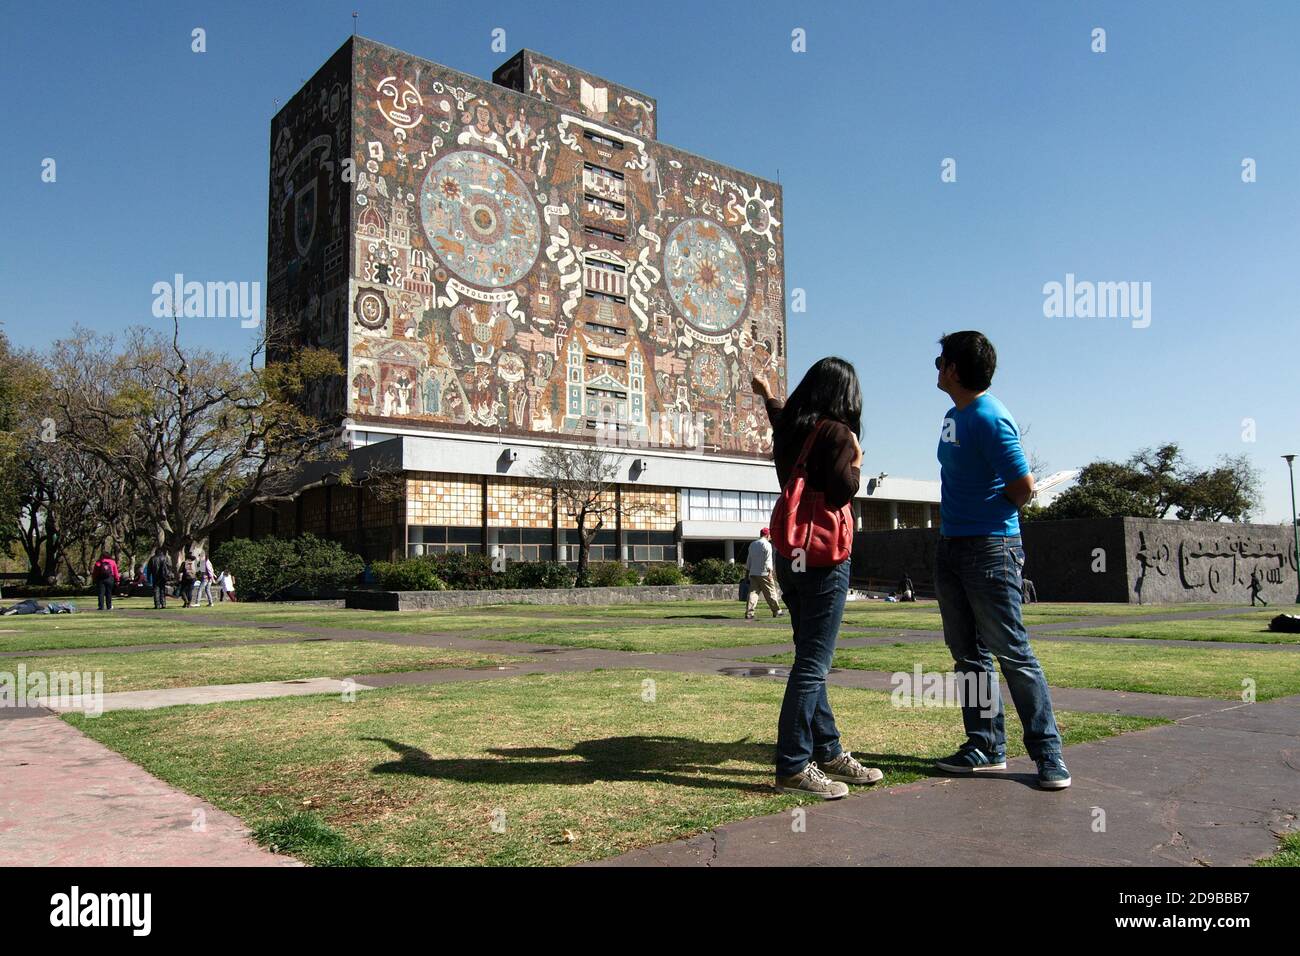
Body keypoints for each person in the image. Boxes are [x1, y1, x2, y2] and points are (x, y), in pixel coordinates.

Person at [933, 331, 1070, 790]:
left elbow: (1024, 486)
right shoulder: (955, 414)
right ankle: (985, 746)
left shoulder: (990, 417)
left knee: (1012, 653)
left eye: (940, 360)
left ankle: (1048, 755)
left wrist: (987, 518)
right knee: (968, 654)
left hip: (991, 548)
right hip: (953, 547)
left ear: (954, 369)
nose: (935, 367)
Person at [754, 359, 883, 800]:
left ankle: (828, 751)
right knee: (813, 663)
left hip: (792, 555)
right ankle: (792, 765)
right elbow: (843, 491)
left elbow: (777, 411)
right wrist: (858, 460)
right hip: (827, 557)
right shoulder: (837, 434)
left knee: (811, 656)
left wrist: (766, 391)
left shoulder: (791, 427)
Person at [744, 528, 784, 620]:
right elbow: (768, 559)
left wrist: (747, 572)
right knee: (771, 592)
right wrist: (770, 572)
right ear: (767, 535)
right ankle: (776, 611)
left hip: (753, 572)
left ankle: (749, 613)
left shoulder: (753, 544)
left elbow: (749, 559)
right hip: (764, 572)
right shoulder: (767, 544)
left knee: (753, 593)